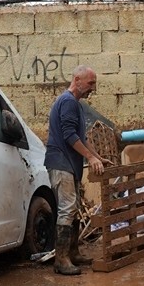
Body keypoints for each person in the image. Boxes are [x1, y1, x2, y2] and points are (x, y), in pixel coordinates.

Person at [45, 66, 107, 275]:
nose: (93, 88)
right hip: (61, 162)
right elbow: (69, 135)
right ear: (77, 79)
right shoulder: (68, 102)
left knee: (74, 208)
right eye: (90, 83)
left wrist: (97, 157)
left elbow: (82, 138)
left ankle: (73, 253)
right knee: (67, 208)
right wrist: (90, 157)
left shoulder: (76, 105)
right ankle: (61, 259)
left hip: (69, 164)